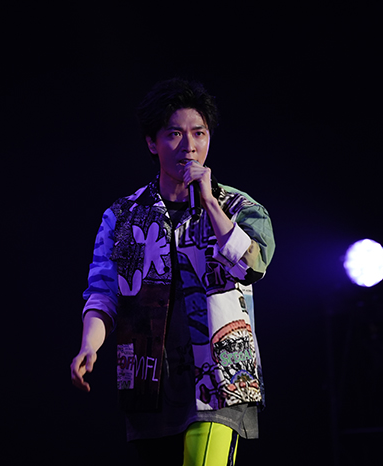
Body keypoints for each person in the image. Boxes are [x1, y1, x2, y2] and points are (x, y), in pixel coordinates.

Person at [70, 78, 275, 466]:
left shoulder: (239, 208)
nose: (189, 145)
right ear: (152, 143)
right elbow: (103, 293)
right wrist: (89, 345)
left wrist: (209, 202)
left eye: (199, 133)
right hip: (149, 386)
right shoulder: (122, 215)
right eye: (175, 134)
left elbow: (251, 266)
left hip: (221, 382)